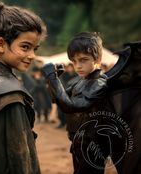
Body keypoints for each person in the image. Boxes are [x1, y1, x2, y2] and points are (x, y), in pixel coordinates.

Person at [0, 2, 46, 174]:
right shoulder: (9, 93)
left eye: (34, 49)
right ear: (0, 44)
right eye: (25, 47)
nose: (32, 56)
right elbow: (18, 156)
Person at [42, 32, 108, 174]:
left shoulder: (99, 83)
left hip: (93, 144)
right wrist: (53, 80)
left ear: (98, 58)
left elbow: (70, 106)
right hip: (78, 141)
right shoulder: (79, 82)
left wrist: (52, 78)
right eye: (74, 61)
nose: (78, 66)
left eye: (83, 60)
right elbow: (58, 100)